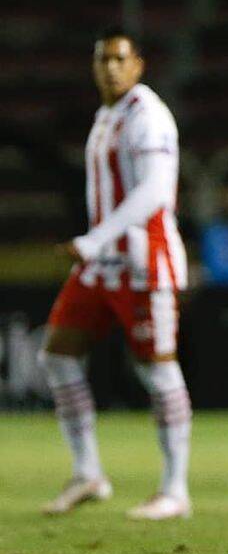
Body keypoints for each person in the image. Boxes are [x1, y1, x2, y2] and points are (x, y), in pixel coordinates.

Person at [39, 27, 194, 520]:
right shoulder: (108, 114)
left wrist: (94, 238)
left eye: (119, 59)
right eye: (102, 59)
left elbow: (154, 193)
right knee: (57, 355)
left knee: (157, 369)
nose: (110, 67)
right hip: (101, 265)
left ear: (138, 65)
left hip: (143, 263)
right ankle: (88, 473)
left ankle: (174, 490)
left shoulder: (148, 115)